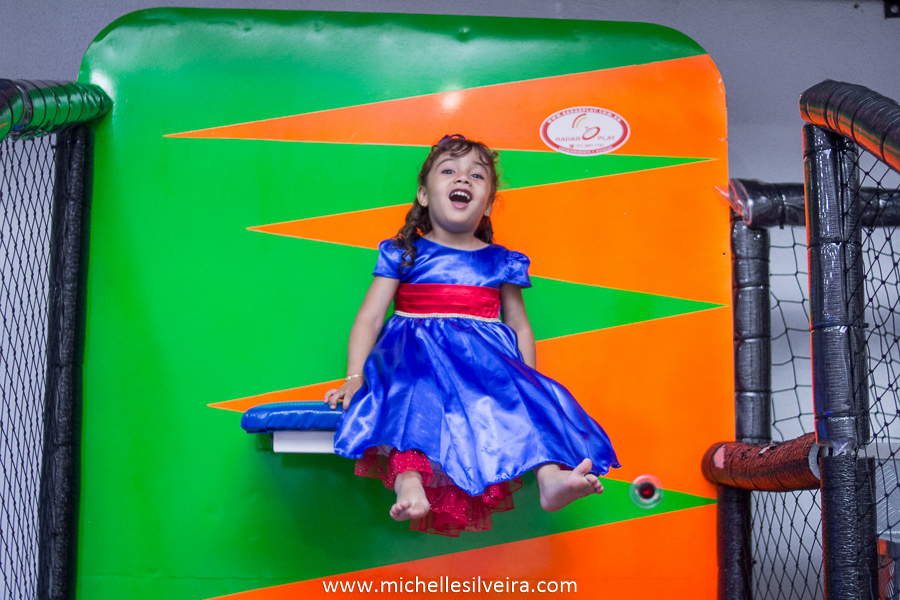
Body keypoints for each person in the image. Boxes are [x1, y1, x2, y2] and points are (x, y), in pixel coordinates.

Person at [325, 134, 619, 536]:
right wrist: (354, 377)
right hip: (414, 360)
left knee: (528, 407)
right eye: (449, 171)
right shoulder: (402, 253)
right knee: (414, 399)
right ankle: (410, 483)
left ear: (487, 203)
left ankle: (551, 479)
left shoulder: (502, 261)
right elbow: (370, 320)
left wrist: (528, 383)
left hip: (483, 368)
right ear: (424, 196)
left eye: (476, 176)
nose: (462, 178)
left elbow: (519, 326)